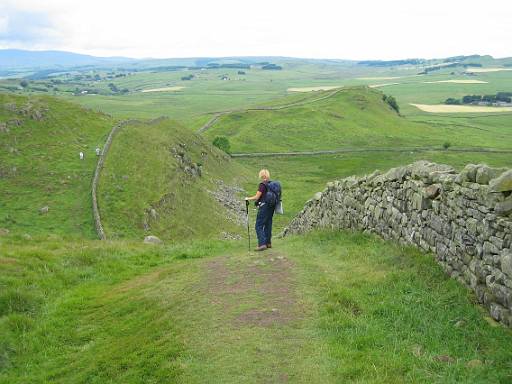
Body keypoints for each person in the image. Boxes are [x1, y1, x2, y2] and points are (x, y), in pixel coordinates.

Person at [245, 169, 275, 251]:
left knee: (258, 225)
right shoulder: (271, 184)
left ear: (261, 175)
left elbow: (257, 197)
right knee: (268, 224)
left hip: (264, 207)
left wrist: (248, 198)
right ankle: (268, 243)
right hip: (271, 207)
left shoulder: (262, 185)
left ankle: (262, 244)